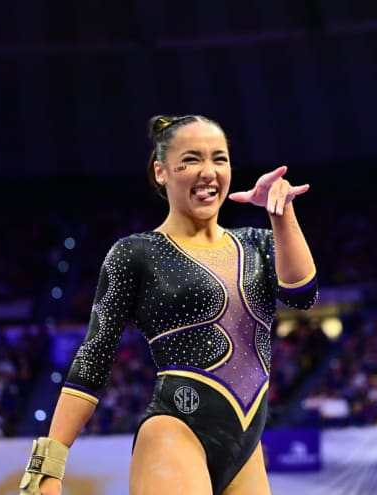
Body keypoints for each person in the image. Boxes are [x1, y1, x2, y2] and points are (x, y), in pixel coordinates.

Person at [19, 114, 318, 495]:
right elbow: (93, 357)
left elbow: (303, 294)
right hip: (173, 434)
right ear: (161, 171)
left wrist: (282, 214)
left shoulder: (259, 243)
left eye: (219, 158)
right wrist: (48, 464)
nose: (208, 172)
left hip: (244, 448)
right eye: (191, 160)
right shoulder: (136, 253)